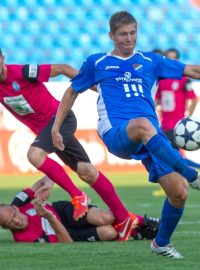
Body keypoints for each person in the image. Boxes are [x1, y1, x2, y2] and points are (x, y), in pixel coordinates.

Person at [51, 11, 200, 259]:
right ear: (111, 36)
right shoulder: (97, 63)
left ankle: (160, 243)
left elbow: (192, 71)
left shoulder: (151, 61)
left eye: (132, 33)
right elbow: (71, 92)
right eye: (122, 34)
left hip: (150, 136)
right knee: (143, 125)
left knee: (178, 193)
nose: (128, 39)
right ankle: (192, 173)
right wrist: (56, 128)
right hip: (117, 133)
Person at [0, 48, 139, 241]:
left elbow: (63, 68)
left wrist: (100, 89)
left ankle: (77, 195)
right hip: (48, 132)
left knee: (34, 155)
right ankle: (125, 220)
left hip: (60, 119)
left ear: (3, 59)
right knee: (87, 172)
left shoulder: (22, 72)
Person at [0, 176, 160, 243]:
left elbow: (47, 177)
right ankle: (136, 232)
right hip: (65, 232)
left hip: (62, 211)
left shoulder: (19, 202)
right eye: (11, 222)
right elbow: (66, 242)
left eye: (14, 215)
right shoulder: (24, 238)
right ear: (6, 227)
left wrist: (48, 184)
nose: (17, 220)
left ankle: (143, 221)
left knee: (106, 218)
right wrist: (49, 218)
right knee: (109, 232)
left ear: (15, 208)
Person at [154, 48, 200, 197]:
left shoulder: (184, 79)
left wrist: (188, 116)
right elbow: (156, 100)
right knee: (173, 157)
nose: (172, 61)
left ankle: (187, 178)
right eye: (169, 58)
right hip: (165, 124)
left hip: (179, 126)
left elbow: (193, 98)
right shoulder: (162, 79)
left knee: (170, 156)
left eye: (175, 59)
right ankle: (177, 183)